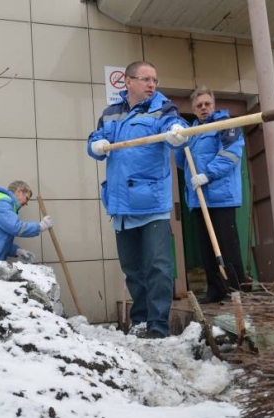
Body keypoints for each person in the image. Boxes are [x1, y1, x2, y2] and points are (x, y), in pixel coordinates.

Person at [87, 61, 188, 339]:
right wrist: (94, 145)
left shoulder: (163, 108)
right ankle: (140, 319)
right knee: (132, 268)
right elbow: (96, 140)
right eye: (145, 79)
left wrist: (178, 133)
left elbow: (175, 126)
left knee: (158, 265)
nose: (152, 84)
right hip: (120, 204)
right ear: (127, 82)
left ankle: (158, 325)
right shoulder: (110, 114)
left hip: (152, 203)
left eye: (154, 80)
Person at [175, 86, 246, 304]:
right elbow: (183, 163)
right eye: (199, 105)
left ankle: (236, 291)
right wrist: (179, 145)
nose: (203, 108)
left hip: (221, 197)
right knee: (206, 248)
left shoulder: (226, 125)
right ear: (194, 109)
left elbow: (231, 154)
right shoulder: (192, 134)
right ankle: (215, 290)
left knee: (227, 246)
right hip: (199, 200)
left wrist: (208, 174)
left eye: (207, 104)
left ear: (213, 106)